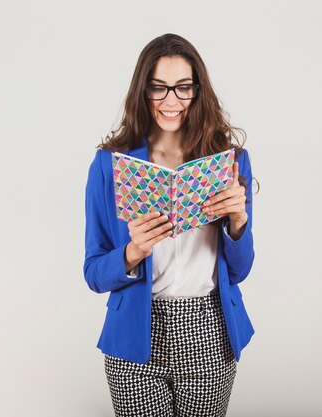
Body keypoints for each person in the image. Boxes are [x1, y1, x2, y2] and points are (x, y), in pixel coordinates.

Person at [83, 33, 256, 417]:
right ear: (142, 91)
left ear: (198, 90)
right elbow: (93, 272)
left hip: (209, 329)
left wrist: (238, 223)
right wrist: (133, 252)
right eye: (158, 88)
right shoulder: (110, 165)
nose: (171, 101)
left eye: (182, 88)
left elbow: (240, 270)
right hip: (136, 337)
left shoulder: (229, 161)